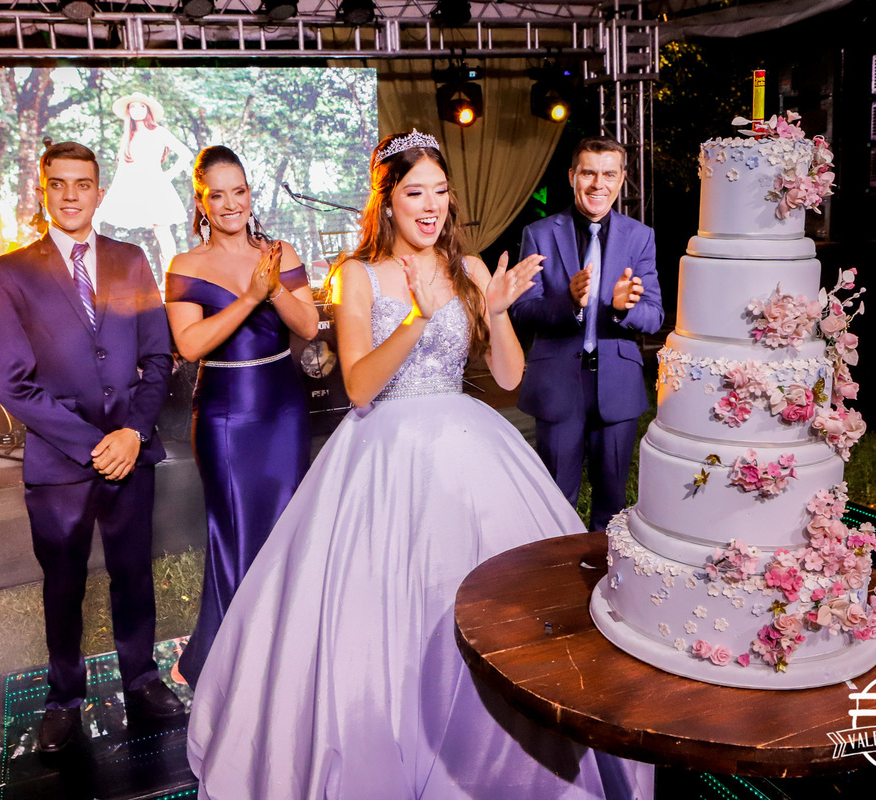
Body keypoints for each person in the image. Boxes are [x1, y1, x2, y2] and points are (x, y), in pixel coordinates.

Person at [185, 130, 653, 799]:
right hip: (382, 452)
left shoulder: (469, 270)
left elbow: (510, 377)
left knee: (494, 599)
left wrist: (496, 313)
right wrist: (414, 318)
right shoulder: (356, 275)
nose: (430, 206)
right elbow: (358, 387)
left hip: (468, 444)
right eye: (414, 193)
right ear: (388, 202)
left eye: (439, 191)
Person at [0, 141, 183, 753]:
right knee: (63, 583)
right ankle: (64, 697)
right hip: (60, 461)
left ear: (99, 191)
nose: (71, 195)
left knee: (133, 574)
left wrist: (133, 433)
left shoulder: (131, 259)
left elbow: (158, 357)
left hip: (132, 450)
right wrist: (97, 444)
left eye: (83, 184)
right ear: (42, 190)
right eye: (58, 183)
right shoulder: (12, 272)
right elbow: (12, 383)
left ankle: (142, 678)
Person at [165, 146, 319, 688]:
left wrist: (274, 288)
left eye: (240, 191)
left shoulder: (279, 252)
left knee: (286, 525)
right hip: (225, 414)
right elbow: (190, 345)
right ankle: (235, 657)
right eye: (218, 195)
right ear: (201, 202)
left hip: (283, 408)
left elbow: (309, 327)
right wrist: (251, 296)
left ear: (250, 193)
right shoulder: (185, 265)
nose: (231, 204)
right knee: (234, 529)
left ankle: (287, 648)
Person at [511, 136, 663, 533]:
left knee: (612, 500)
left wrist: (623, 308)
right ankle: (557, 567)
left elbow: (654, 316)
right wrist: (569, 301)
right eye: (589, 173)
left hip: (617, 383)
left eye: (609, 174)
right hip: (558, 382)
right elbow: (522, 311)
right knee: (556, 497)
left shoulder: (639, 236)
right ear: (572, 176)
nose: (599, 184)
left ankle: (605, 568)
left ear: (622, 179)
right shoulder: (539, 233)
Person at [97, 92, 194, 275]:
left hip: (155, 187)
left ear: (148, 110)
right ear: (128, 111)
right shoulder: (128, 136)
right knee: (96, 217)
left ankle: (170, 278)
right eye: (133, 106)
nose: (137, 110)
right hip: (130, 186)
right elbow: (122, 169)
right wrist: (112, 196)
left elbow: (186, 154)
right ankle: (92, 264)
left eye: (141, 106)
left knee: (162, 230)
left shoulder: (158, 132)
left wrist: (168, 175)